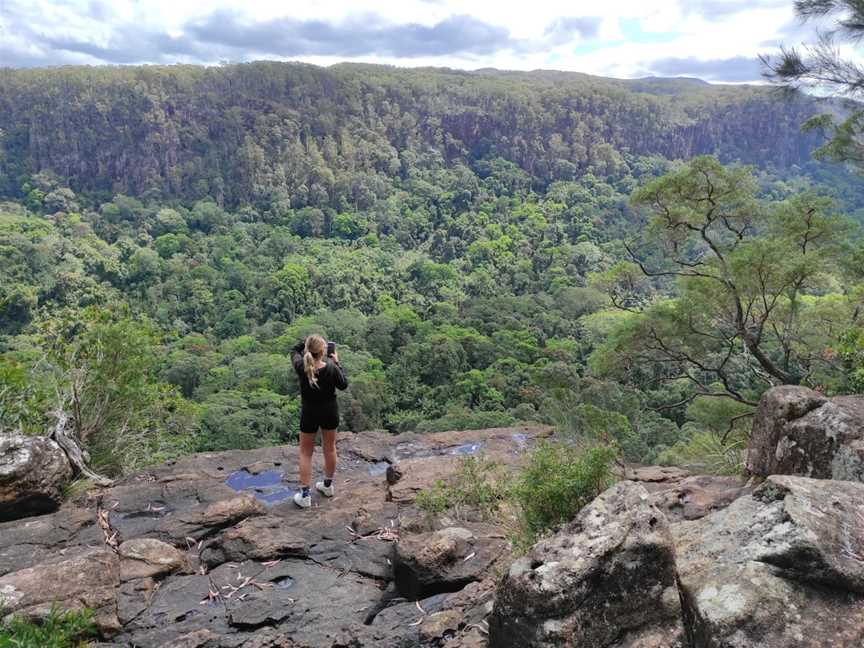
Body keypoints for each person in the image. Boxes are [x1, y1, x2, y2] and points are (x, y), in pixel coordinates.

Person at [290, 334, 348, 509]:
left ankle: (305, 495)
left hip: (309, 412)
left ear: (308, 351)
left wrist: (306, 342)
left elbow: (293, 350)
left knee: (305, 453)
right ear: (323, 351)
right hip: (330, 411)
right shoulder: (331, 368)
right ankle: (328, 486)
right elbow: (343, 384)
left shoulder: (302, 367)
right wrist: (337, 362)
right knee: (329, 448)